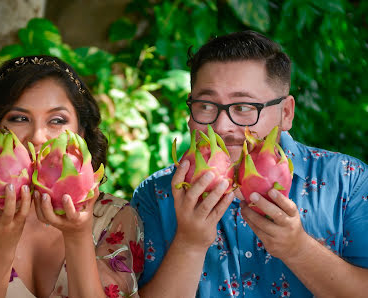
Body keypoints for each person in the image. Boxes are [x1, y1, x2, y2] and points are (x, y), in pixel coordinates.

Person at [131, 31, 368, 297]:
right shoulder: (155, 194)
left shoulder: (348, 180)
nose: (222, 126)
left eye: (244, 107)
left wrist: (298, 249)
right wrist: (189, 244)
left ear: (286, 113)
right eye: (206, 106)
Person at [0, 55, 144, 298]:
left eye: (57, 120)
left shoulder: (115, 219)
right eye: (19, 118)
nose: (38, 136)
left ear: (81, 133)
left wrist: (78, 237)